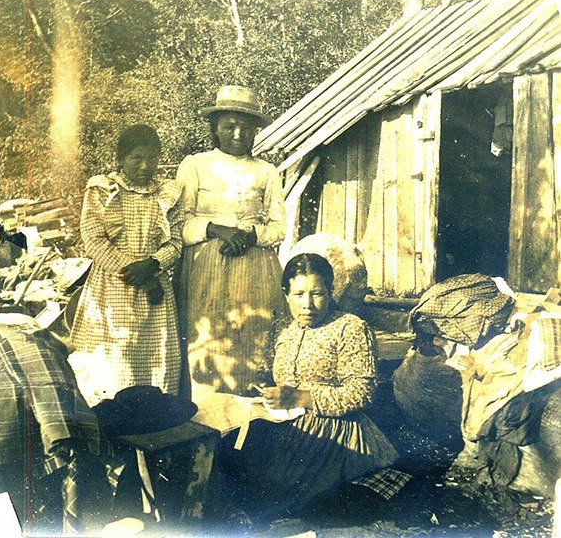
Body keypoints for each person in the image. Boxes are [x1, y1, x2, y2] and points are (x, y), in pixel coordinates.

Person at [219, 253, 399, 522]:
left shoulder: (349, 327)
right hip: (282, 422)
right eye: (299, 294)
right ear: (286, 294)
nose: (308, 305)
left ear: (330, 292)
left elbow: (362, 393)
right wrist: (262, 387)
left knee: (284, 498)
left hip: (334, 428)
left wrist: (300, 397)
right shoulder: (282, 328)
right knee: (226, 458)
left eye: (317, 294)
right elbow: (266, 372)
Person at [175, 85, 287, 398]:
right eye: (229, 126)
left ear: (255, 131)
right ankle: (207, 409)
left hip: (255, 268)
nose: (238, 134)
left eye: (246, 128)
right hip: (206, 268)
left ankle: (250, 413)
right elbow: (179, 224)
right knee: (209, 336)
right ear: (215, 128)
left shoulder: (266, 171)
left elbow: (279, 227)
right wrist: (216, 230)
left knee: (253, 332)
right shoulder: (196, 165)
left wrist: (252, 236)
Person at [69, 124, 185, 405]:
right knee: (115, 362)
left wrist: (154, 264)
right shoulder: (103, 190)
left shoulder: (167, 194)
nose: (145, 166)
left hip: (154, 288)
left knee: (156, 358)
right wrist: (138, 272)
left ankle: (151, 425)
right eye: (136, 158)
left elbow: (177, 241)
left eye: (152, 158)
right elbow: (94, 240)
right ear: (121, 159)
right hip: (113, 287)